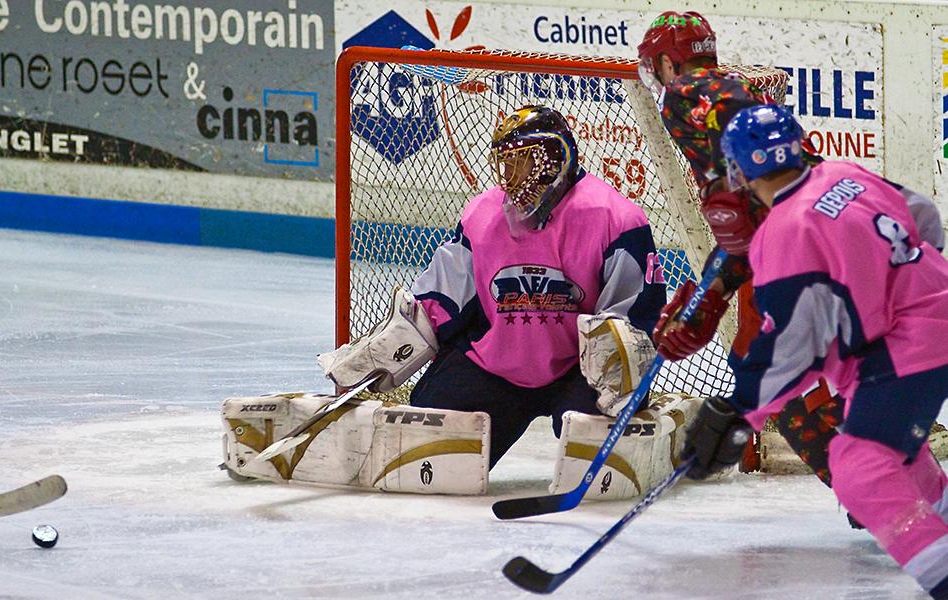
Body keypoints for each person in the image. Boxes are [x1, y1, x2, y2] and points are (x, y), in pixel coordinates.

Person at [684, 103, 948, 599]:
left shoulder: (787, 230)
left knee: (860, 466)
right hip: (936, 311)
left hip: (911, 344)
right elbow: (923, 215)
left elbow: (792, 347)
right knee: (896, 451)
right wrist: (904, 284)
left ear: (741, 169)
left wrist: (740, 410)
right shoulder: (844, 172)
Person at [321, 105, 666, 470]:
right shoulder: (482, 214)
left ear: (555, 158)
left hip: (579, 371)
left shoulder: (615, 217)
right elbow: (441, 301)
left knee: (597, 453)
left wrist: (622, 377)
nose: (511, 176)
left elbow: (633, 318)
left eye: (522, 162)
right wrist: (392, 346)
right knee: (422, 452)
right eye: (505, 163)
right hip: (496, 367)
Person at [636, 9, 853, 488]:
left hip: (793, 246)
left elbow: (750, 208)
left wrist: (710, 296)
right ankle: (886, 479)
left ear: (669, 64)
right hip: (817, 233)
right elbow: (747, 215)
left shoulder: (683, 93)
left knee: (773, 373)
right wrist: (710, 295)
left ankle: (881, 488)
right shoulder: (730, 90)